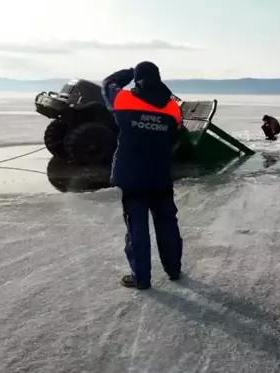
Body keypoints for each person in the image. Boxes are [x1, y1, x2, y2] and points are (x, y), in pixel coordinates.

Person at [102, 61, 184, 289]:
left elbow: (108, 83)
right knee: (167, 223)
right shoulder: (172, 108)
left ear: (138, 79)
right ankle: (173, 269)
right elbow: (176, 138)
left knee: (136, 227)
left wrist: (130, 73)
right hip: (160, 175)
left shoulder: (124, 99)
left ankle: (141, 277)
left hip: (132, 176)